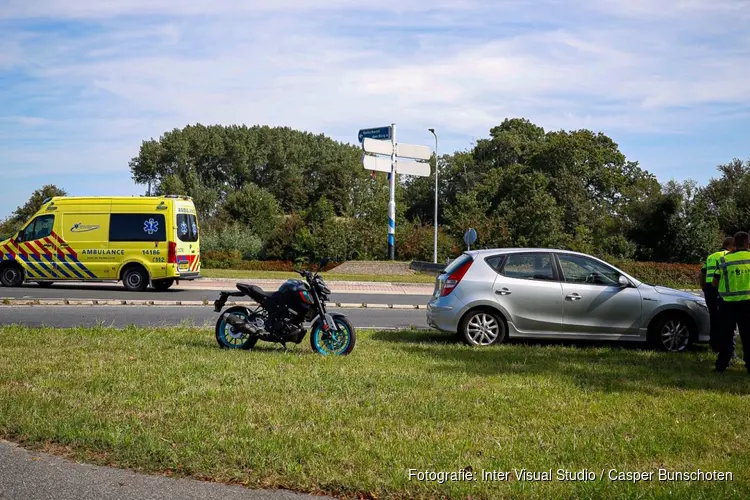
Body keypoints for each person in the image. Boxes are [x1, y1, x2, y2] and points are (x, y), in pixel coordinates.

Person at [711, 231, 750, 374]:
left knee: (726, 336)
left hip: (727, 304)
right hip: (748, 304)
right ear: (747, 243)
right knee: (748, 336)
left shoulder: (724, 260)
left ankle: (722, 365)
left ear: (734, 244)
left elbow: (715, 282)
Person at [700, 237, 734, 352]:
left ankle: (713, 344)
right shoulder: (728, 256)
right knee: (725, 318)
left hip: (709, 289)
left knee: (713, 317)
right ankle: (724, 345)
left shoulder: (711, 256)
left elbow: (702, 273)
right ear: (731, 246)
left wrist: (704, 288)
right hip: (720, 288)